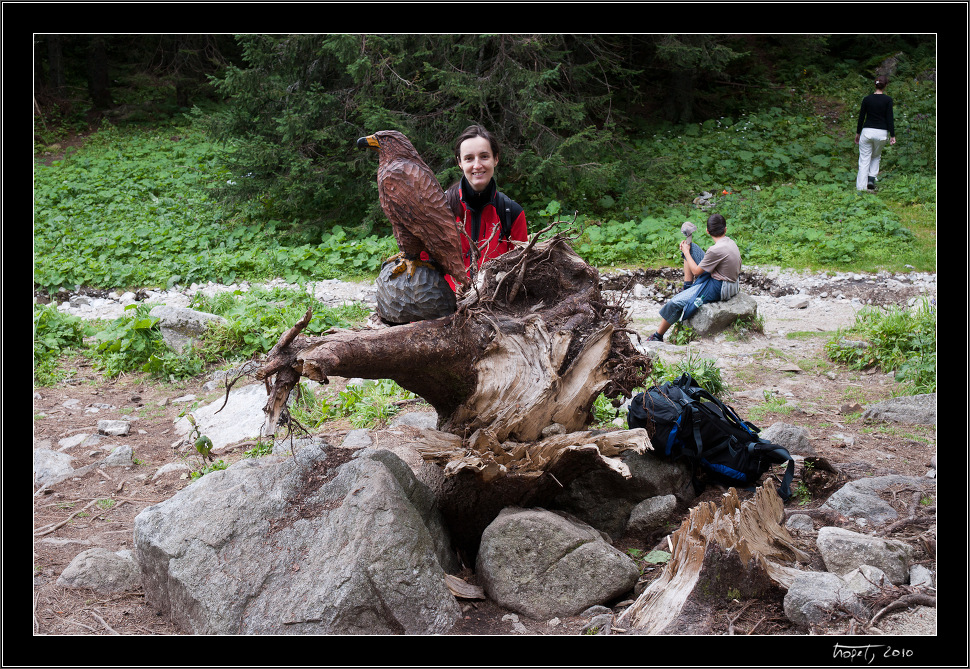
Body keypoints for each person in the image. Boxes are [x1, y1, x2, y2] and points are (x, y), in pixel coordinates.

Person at [442, 125, 528, 288]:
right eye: (469, 158)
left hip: (494, 306)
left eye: (484, 156)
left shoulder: (512, 213)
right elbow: (425, 260)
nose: (477, 165)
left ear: (496, 159)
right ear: (460, 163)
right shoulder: (442, 208)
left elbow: (520, 270)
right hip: (446, 305)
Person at [647, 213, 741, 342]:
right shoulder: (729, 242)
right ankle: (688, 287)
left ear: (707, 231)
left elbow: (696, 272)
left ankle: (657, 336)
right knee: (691, 248)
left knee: (674, 303)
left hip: (722, 286)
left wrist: (685, 252)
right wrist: (688, 249)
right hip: (732, 281)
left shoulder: (715, 250)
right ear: (725, 229)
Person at [855, 75, 896, 191]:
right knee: (876, 156)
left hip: (867, 132)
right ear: (885, 86)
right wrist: (892, 135)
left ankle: (861, 189)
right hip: (881, 133)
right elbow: (889, 118)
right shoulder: (888, 100)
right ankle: (871, 180)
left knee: (864, 159)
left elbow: (861, 117)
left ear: (875, 85)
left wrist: (858, 133)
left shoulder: (867, 99)